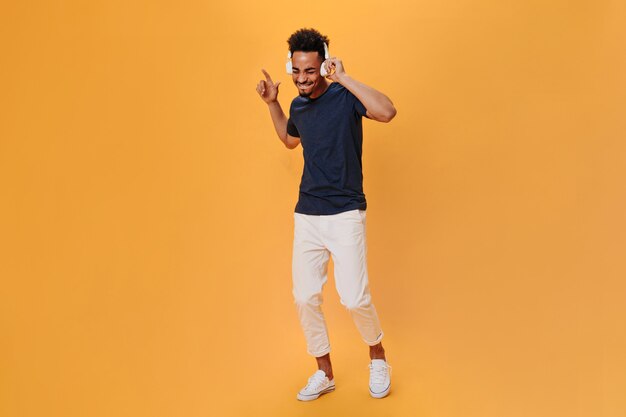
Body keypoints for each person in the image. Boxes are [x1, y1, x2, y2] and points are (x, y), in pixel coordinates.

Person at [256, 28, 397, 401]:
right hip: (308, 214)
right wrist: (273, 103)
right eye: (297, 71)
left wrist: (345, 78)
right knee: (304, 297)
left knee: (353, 298)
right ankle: (324, 371)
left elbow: (387, 111)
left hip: (346, 211)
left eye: (310, 71)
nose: (302, 79)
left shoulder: (344, 96)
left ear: (324, 64)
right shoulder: (299, 106)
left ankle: (378, 354)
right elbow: (290, 139)